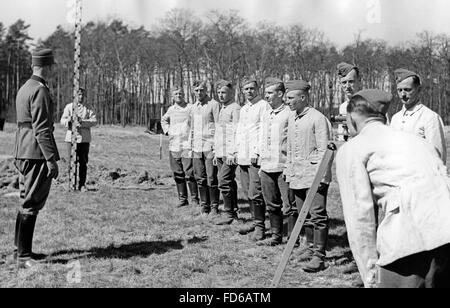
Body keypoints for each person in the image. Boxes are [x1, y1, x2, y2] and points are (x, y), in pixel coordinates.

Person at [336, 89, 450, 288]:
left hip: (408, 242)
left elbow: (359, 217)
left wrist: (371, 276)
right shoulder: (417, 141)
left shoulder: (353, 149)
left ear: (352, 117)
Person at [12, 49, 60, 269]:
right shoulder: (40, 90)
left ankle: (20, 250)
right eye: (52, 66)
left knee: (25, 199)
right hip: (36, 152)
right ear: (47, 66)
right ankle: (23, 256)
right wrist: (51, 158)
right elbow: (41, 128)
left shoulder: (24, 87)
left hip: (23, 149)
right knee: (31, 202)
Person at [284, 80, 333, 273]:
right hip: (297, 175)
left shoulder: (317, 118)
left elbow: (325, 150)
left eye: (290, 97)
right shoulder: (292, 117)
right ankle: (310, 248)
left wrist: (321, 177)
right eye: (286, 97)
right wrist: (289, 171)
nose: (287, 101)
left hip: (314, 176)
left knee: (317, 216)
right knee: (303, 214)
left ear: (303, 97)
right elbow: (289, 148)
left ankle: (319, 257)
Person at [255, 78, 292, 246]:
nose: (267, 96)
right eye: (266, 93)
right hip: (266, 166)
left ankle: (294, 239)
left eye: (270, 93)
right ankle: (276, 235)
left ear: (280, 94)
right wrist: (261, 165)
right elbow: (262, 139)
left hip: (283, 166)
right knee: (271, 204)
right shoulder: (265, 114)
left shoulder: (289, 113)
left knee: (289, 206)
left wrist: (289, 166)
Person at [235, 77, 269, 240]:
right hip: (243, 155)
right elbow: (240, 131)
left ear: (257, 89)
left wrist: (257, 152)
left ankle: (261, 227)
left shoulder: (263, 106)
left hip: (255, 157)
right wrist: (236, 150)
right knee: (247, 191)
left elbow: (264, 131)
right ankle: (255, 222)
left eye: (252, 88)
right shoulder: (243, 109)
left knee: (256, 193)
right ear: (242, 91)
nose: (249, 91)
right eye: (246, 89)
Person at [390, 68, 447, 164]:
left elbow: (438, 157)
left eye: (407, 90)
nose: (403, 94)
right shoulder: (395, 118)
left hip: (421, 176)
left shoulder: (430, 117)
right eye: (399, 90)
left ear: (419, 89)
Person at [161, 87, 199, 208]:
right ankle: (182, 199)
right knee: (177, 173)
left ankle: (194, 199)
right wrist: (168, 131)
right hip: (174, 145)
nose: (178, 95)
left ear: (184, 95)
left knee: (190, 173)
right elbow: (164, 120)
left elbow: (197, 122)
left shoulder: (190, 108)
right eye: (176, 94)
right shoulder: (171, 110)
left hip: (187, 145)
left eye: (180, 93)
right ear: (172, 96)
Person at [190, 80, 221, 215]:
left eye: (201, 90)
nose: (199, 92)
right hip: (197, 147)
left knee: (211, 177)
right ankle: (204, 206)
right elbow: (192, 128)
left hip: (210, 146)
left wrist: (216, 147)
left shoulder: (214, 105)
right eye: (196, 90)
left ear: (206, 90)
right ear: (193, 91)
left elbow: (219, 126)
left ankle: (214, 206)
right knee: (200, 177)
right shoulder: (193, 107)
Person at [213, 80, 241, 225]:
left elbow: (237, 131)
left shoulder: (235, 108)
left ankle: (229, 213)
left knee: (223, 181)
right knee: (229, 182)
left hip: (230, 153)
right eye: (218, 92)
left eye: (223, 92)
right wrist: (215, 151)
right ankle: (234, 213)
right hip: (220, 151)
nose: (221, 95)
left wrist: (232, 153)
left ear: (231, 93)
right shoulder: (222, 108)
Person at [60, 87, 98, 191]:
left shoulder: (88, 108)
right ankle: (71, 184)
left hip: (84, 140)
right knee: (71, 163)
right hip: (70, 139)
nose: (81, 97)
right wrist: (69, 120)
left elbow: (94, 121)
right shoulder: (69, 107)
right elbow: (62, 120)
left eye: (82, 95)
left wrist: (83, 122)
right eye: (79, 95)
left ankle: (82, 185)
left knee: (83, 162)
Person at [336, 62, 361, 142]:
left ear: (359, 81)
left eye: (351, 81)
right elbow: (341, 135)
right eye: (344, 82)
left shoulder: (370, 104)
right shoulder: (343, 107)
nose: (347, 86)